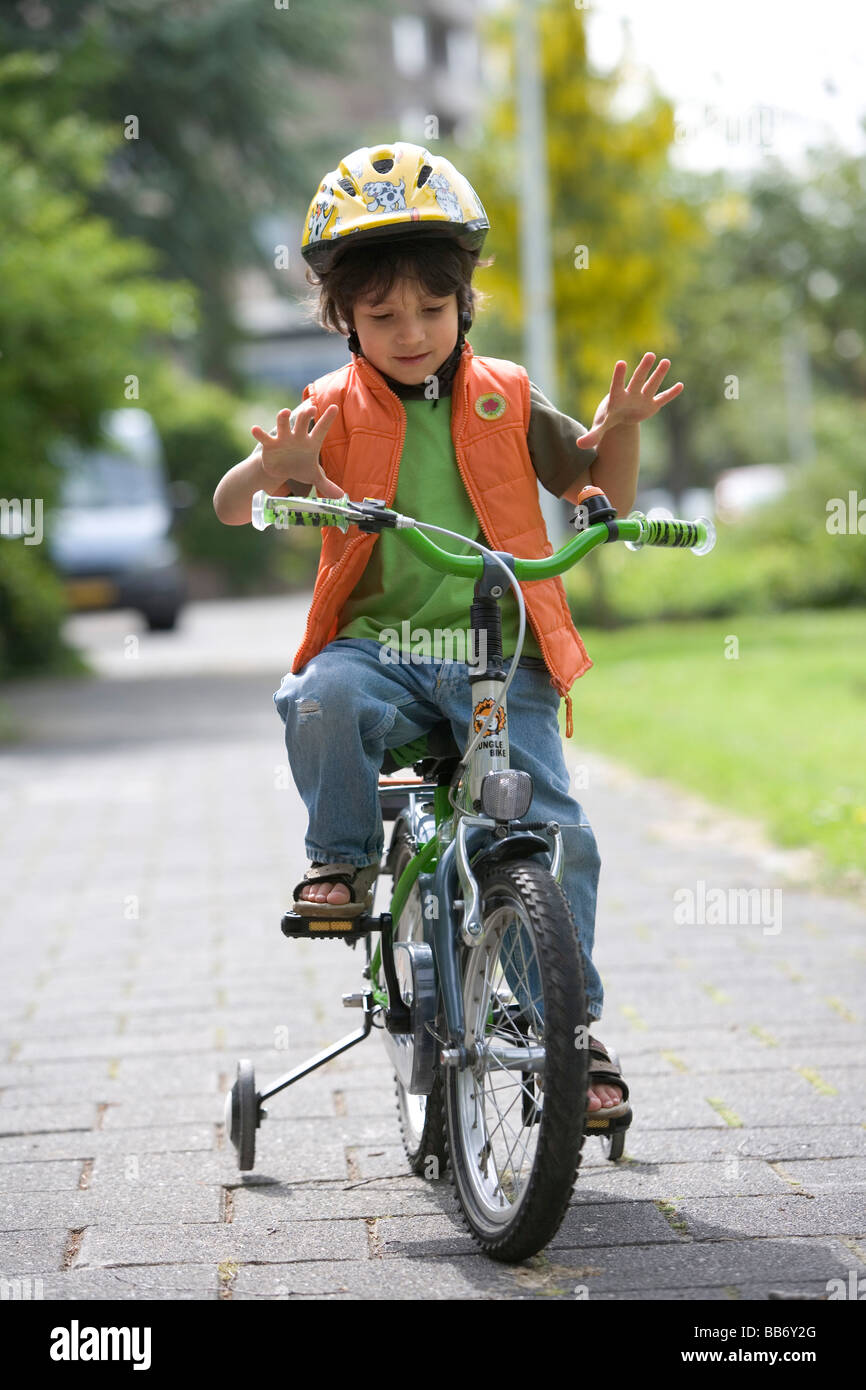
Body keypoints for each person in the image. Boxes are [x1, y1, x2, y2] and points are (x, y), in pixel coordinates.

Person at [213, 142, 684, 1131]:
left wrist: (620, 430)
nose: (409, 331)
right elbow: (227, 505)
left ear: (463, 300)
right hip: (380, 650)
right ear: (342, 317)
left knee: (557, 831)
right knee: (317, 696)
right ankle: (338, 860)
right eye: (380, 316)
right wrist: (276, 472)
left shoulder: (504, 395)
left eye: (429, 310)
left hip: (494, 656)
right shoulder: (326, 409)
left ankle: (566, 1027)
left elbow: (602, 487)